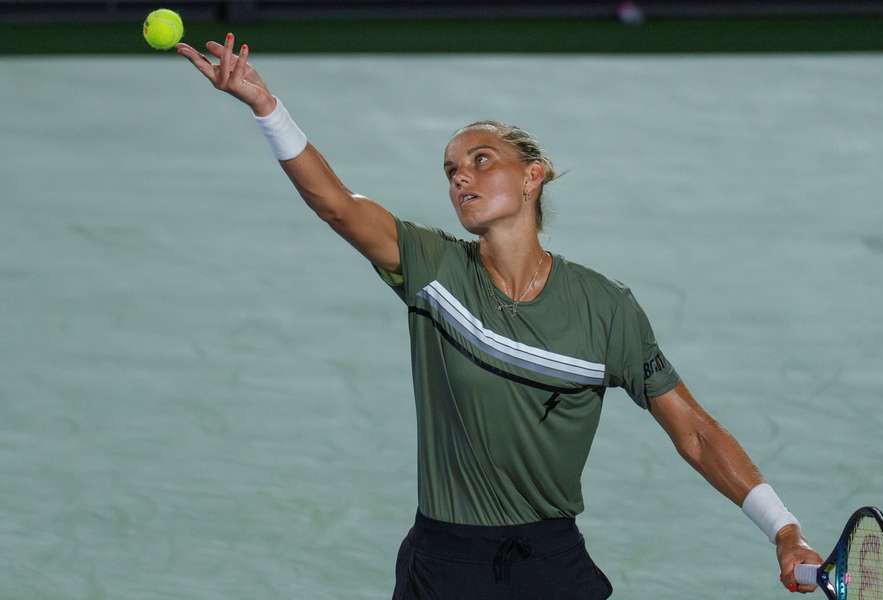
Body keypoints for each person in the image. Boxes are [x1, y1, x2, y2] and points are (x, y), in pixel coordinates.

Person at [176, 33, 823, 599]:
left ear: (533, 175)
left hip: (548, 562)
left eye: (481, 160)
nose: (461, 177)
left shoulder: (605, 308)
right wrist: (267, 107)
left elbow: (696, 432)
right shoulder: (431, 269)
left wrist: (783, 530)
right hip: (445, 561)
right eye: (451, 170)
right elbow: (338, 207)